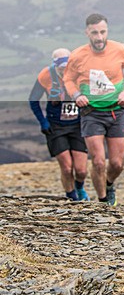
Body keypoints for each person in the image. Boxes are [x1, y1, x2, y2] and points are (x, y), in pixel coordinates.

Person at [64, 13, 124, 206]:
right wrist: (76, 96)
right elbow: (68, 79)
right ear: (87, 33)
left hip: (116, 110)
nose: (99, 37)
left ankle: (109, 183)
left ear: (107, 31)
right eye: (95, 33)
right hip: (91, 113)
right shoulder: (78, 55)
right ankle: (103, 201)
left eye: (102, 32)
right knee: (98, 161)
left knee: (116, 164)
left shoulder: (120, 50)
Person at [29, 48, 90, 201]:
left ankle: (80, 188)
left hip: (78, 125)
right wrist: (43, 122)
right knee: (67, 166)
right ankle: (72, 198)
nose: (65, 71)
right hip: (56, 126)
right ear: (55, 65)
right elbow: (33, 99)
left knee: (81, 170)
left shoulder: (80, 73)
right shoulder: (45, 75)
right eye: (62, 68)